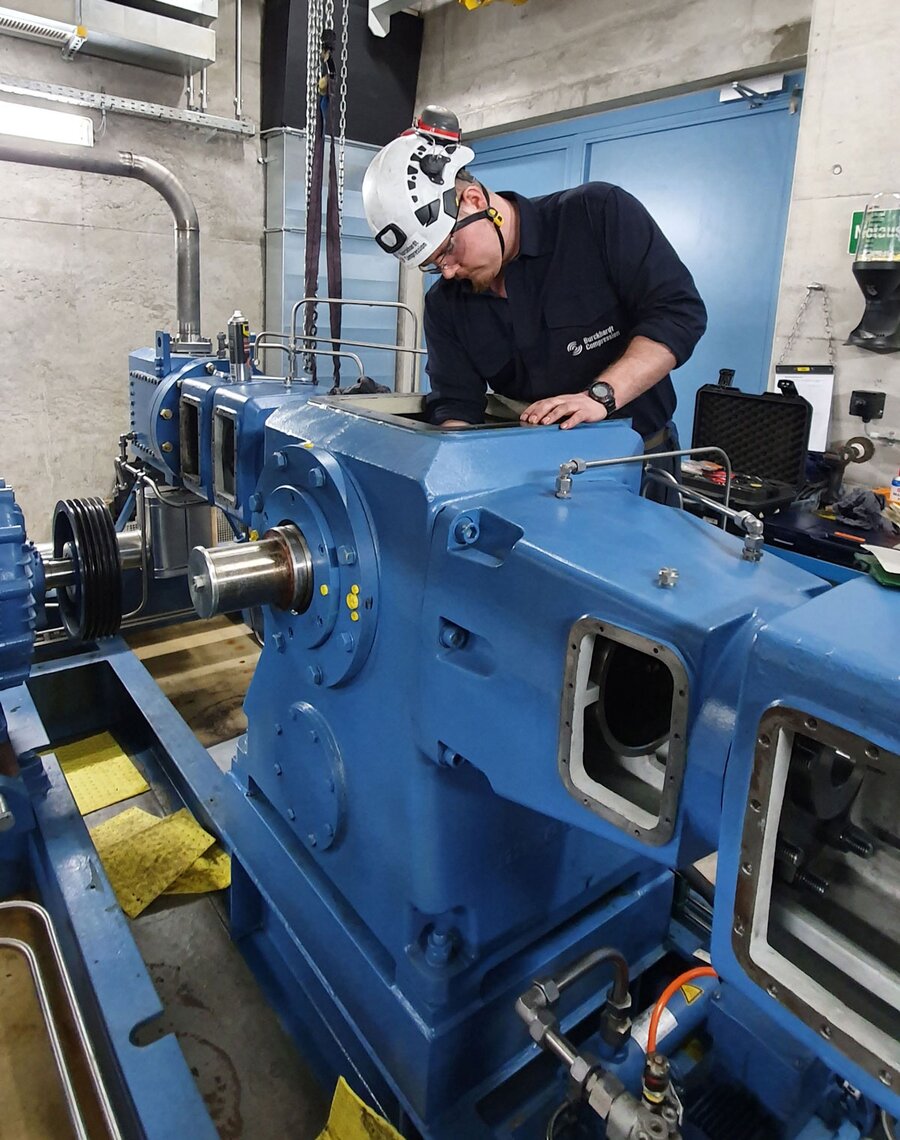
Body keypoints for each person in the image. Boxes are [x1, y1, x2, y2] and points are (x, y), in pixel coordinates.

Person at [362, 107, 707, 501]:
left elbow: (678, 314)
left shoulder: (596, 215)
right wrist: (448, 478)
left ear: (473, 200)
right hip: (534, 479)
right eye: (433, 263)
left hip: (637, 464)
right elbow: (457, 401)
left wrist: (600, 396)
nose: (450, 271)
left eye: (450, 250)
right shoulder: (445, 305)